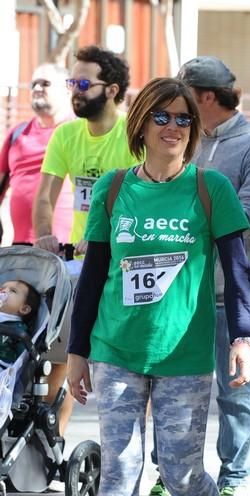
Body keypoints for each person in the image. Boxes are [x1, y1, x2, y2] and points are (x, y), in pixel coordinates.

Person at [65, 77, 250, 496]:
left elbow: (238, 270)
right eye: (161, 116)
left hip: (183, 355)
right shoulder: (112, 189)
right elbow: (94, 273)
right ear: (141, 124)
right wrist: (77, 349)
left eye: (184, 119)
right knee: (118, 475)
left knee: (181, 476)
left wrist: (243, 338)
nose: (173, 126)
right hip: (115, 349)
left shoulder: (212, 189)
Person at [170, 55, 250, 496]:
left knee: (234, 394)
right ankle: (172, 474)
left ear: (206, 97)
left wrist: (189, 218)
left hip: (229, 295)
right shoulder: (181, 138)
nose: (175, 109)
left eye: (183, 98)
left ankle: (234, 478)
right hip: (178, 293)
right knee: (175, 393)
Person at [34, 45, 136, 255]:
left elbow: (141, 202)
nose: (76, 91)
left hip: (125, 257)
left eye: (84, 84)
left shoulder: (135, 134)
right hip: (82, 258)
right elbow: (44, 197)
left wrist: (102, 240)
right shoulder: (64, 134)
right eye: (73, 83)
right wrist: (44, 235)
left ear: (112, 90)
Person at [0, 64, 74, 246]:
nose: (37, 89)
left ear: (67, 90)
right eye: (34, 84)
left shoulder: (80, 133)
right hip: (21, 246)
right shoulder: (18, 133)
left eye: (45, 83)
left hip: (67, 247)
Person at [0, 280, 41, 363]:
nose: (3, 291)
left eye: (12, 290)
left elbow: (22, 358)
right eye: (2, 288)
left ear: (24, 309)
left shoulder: (18, 328)